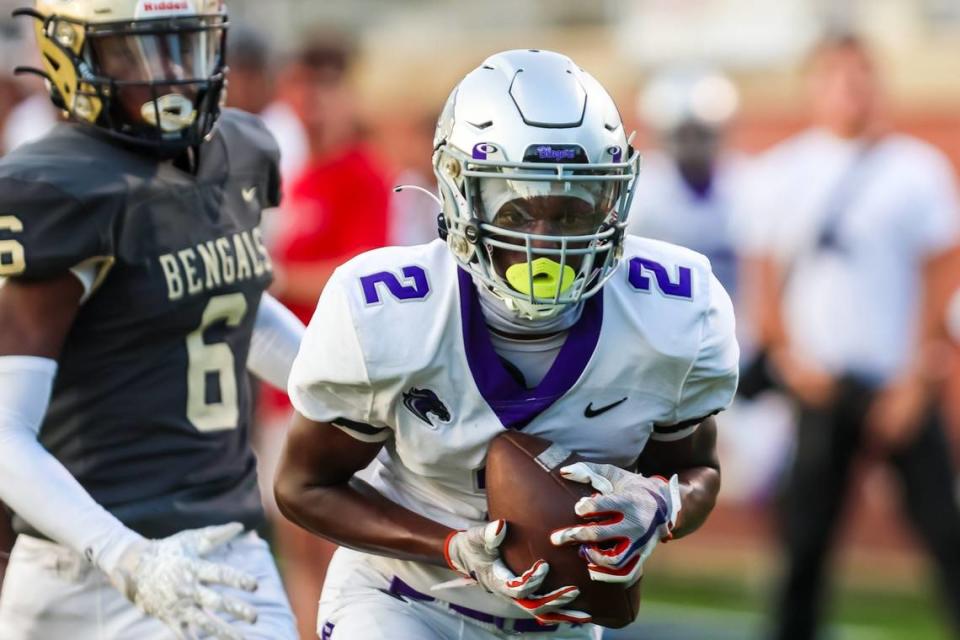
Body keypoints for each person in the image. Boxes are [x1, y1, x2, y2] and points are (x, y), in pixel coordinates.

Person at [274, 49, 739, 639]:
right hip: (401, 600)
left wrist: (659, 506)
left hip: (557, 624)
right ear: (459, 193)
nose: (546, 243)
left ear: (613, 201)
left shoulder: (674, 311)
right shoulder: (388, 310)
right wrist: (448, 546)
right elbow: (303, 485)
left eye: (572, 210)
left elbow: (697, 470)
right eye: (519, 208)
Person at [0, 1, 303, 638]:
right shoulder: (58, 189)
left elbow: (232, 303)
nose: (169, 72)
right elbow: (3, 432)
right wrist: (124, 555)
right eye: (135, 51)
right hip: (77, 562)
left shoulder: (238, 149)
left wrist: (369, 394)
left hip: (218, 547)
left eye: (183, 45)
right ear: (70, 55)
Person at [737, 34, 960, 639]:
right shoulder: (781, 173)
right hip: (820, 387)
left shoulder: (918, 171)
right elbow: (765, 281)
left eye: (861, 77)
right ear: (814, 85)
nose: (850, 90)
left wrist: (920, 378)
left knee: (947, 531)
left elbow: (942, 279)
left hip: (899, 386)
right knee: (803, 547)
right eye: (836, 77)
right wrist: (789, 360)